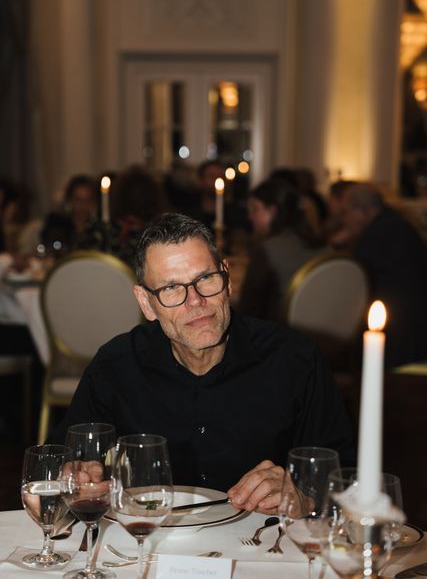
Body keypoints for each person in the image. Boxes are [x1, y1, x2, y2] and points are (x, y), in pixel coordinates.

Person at [52, 212, 353, 514]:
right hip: (149, 536)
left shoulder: (294, 360)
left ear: (227, 278)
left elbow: (346, 477)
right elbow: (63, 464)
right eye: (171, 288)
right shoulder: (116, 366)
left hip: (263, 538)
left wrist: (305, 498)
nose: (195, 301)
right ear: (146, 303)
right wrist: (77, 476)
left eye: (206, 278)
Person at [338, 182, 427, 368]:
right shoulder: (393, 224)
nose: (343, 220)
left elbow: (354, 285)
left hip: (400, 331)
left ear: (362, 210)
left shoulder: (378, 236)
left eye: (345, 212)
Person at [238, 179, 325, 320]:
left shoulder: (267, 250)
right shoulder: (325, 246)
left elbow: (248, 309)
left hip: (283, 329)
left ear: (272, 212)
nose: (250, 217)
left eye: (254, 209)